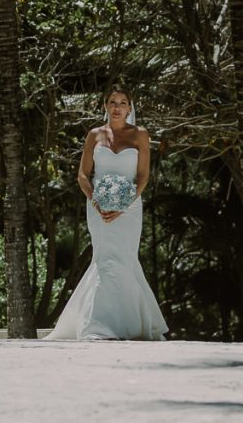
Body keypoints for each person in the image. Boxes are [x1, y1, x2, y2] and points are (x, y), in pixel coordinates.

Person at [46, 85, 169, 340]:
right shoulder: (94, 135)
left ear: (129, 108)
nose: (117, 107)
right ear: (105, 106)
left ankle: (131, 324)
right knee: (104, 260)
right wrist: (96, 201)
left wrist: (123, 203)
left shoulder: (140, 135)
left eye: (123, 102)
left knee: (124, 258)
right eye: (112, 101)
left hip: (131, 208)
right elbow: (82, 175)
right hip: (98, 208)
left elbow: (143, 177)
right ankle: (98, 325)